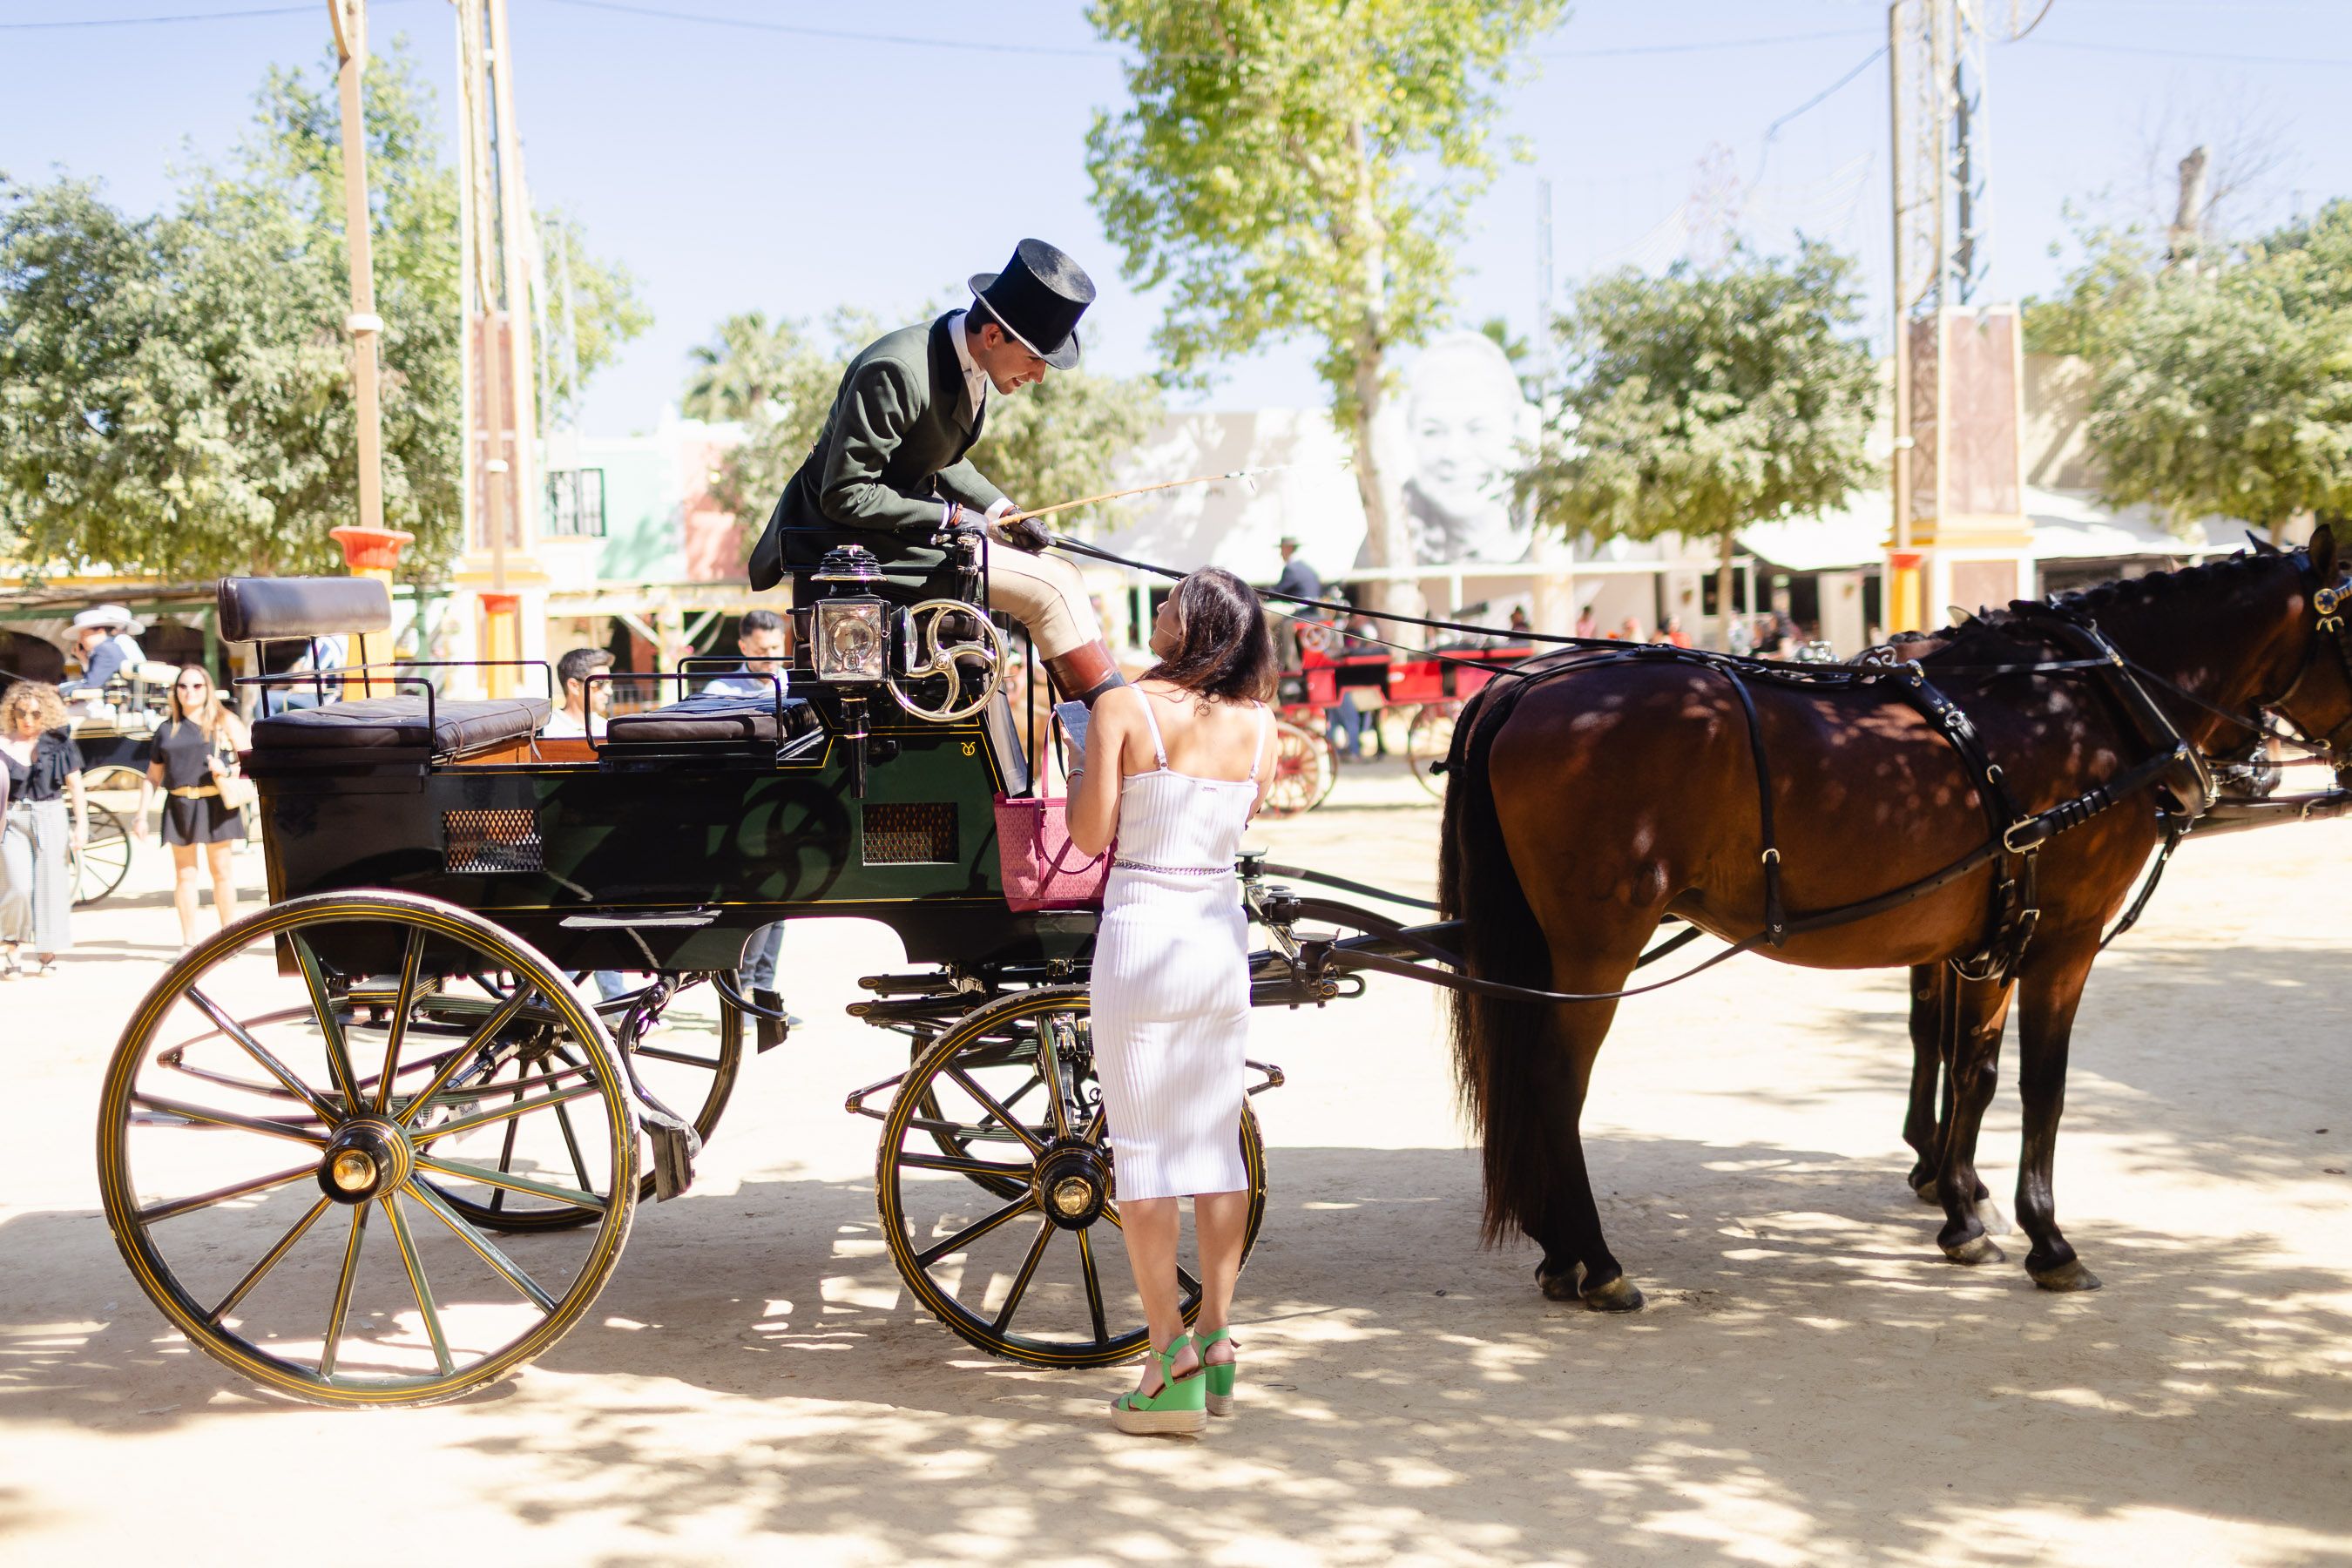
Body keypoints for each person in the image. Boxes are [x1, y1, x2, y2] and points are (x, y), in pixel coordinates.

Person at [1066, 567, 1276, 1436]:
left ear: (1194, 624)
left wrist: (1085, 763)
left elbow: (1087, 836)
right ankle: (1218, 1339)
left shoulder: (1123, 705)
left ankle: (1166, 1360)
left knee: (1146, 1153)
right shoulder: (1263, 725)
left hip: (1144, 937)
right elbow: (1243, 825)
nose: (1156, 614)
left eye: (1168, 603)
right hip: (1220, 944)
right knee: (1216, 1149)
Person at [747, 240, 1129, 708]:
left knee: (1064, 574)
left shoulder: (973, 361)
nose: (1040, 377)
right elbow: (844, 494)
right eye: (1034, 359)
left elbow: (941, 458)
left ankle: (1108, 730)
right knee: (1052, 589)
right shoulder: (896, 370)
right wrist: (949, 517)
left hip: (898, 538)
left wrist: (1003, 510)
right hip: (851, 550)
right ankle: (1117, 729)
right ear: (993, 335)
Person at [700, 612, 795, 1045]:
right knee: (756, 909)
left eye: (775, 649)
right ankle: (743, 1000)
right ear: (743, 648)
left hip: (785, 809)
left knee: (782, 913)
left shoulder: (792, 684)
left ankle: (766, 994)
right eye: (761, 652)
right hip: (741, 812)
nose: (770, 658)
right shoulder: (719, 692)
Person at [135, 665, 250, 946]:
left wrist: (225, 767)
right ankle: (189, 944)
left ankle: (229, 939)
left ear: (208, 689)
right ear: (175, 691)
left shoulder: (224, 721)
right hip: (180, 803)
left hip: (216, 802)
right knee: (185, 875)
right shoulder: (167, 729)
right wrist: (140, 815)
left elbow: (249, 761)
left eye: (197, 686)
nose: (189, 692)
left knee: (221, 871)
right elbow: (153, 775)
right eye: (183, 686)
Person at [0, 682, 85, 977]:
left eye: (35, 714)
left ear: (46, 713)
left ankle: (47, 951)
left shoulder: (57, 743)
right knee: (17, 884)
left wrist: (82, 827)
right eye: (21, 712)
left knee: (51, 884)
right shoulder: (2, 744)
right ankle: (12, 945)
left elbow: (76, 786)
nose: (28, 719)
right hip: (13, 816)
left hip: (50, 813)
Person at [57, 605, 146, 699]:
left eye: (84, 635)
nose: (80, 641)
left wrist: (61, 689)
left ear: (100, 632)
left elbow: (91, 684)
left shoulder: (105, 649)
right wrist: (84, 660)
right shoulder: (109, 647)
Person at [700, 610, 790, 701]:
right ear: (743, 648)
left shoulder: (796, 685)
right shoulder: (719, 692)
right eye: (762, 649)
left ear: (783, 640)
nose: (770, 656)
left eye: (775, 647)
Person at [541, 647, 614, 740]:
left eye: (609, 683)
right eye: (600, 683)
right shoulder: (547, 731)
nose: (609, 691)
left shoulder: (606, 729)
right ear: (574, 686)